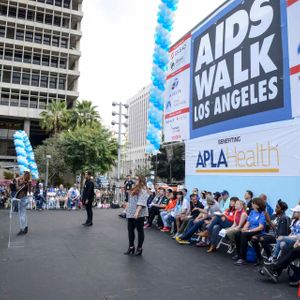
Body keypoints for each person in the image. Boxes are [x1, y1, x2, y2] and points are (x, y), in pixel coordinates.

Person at [251, 200, 290, 265]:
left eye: (277, 207)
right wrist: (264, 221)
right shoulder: (274, 216)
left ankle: (270, 257)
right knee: (254, 238)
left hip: (277, 237)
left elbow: (280, 233)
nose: (275, 209)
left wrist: (269, 221)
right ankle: (259, 258)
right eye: (276, 207)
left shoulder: (284, 218)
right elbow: (268, 225)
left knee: (262, 239)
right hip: (269, 234)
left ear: (282, 210)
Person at [233, 197, 267, 265]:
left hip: (258, 231)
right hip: (250, 230)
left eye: (253, 203)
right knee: (238, 234)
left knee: (244, 235)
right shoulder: (252, 212)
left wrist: (249, 231)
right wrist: (244, 228)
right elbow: (248, 222)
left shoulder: (262, 214)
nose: (251, 203)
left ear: (257, 205)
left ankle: (243, 258)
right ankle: (239, 254)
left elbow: (260, 227)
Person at [124, 175, 149, 256]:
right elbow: (130, 200)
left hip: (138, 213)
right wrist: (126, 207)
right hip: (131, 212)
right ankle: (131, 247)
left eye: (137, 179)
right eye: (135, 179)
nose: (135, 180)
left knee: (139, 230)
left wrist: (137, 213)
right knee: (130, 230)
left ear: (141, 181)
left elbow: (141, 203)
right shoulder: (134, 188)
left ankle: (139, 248)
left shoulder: (143, 190)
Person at [15, 171, 32, 235]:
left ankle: (22, 228)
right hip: (25, 198)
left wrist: (17, 181)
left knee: (21, 215)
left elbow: (17, 188)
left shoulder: (24, 183)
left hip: (22, 199)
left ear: (24, 175)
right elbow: (30, 191)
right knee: (24, 214)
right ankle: (25, 227)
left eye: (23, 174)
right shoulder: (28, 182)